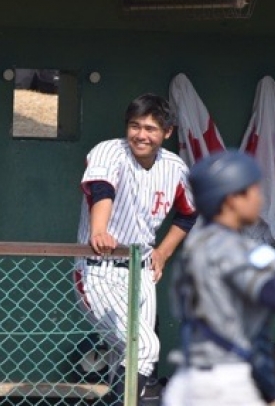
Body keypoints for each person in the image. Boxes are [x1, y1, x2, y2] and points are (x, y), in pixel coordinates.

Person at [162, 150, 275, 406]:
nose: (260, 198)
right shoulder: (223, 247)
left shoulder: (208, 243)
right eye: (253, 190)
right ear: (231, 199)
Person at [73, 93, 198, 405]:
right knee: (144, 346)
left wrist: (164, 252)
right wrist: (99, 229)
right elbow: (101, 189)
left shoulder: (174, 167)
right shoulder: (109, 151)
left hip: (143, 273)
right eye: (135, 126)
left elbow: (189, 213)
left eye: (151, 128)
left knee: (129, 357)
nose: (141, 135)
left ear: (167, 132)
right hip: (99, 270)